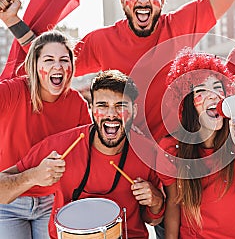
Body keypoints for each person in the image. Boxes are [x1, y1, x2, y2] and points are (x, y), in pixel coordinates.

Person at [0, 0, 235, 141]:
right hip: (125, 156)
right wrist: (13, 21)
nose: (143, 0)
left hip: (175, 154)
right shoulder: (100, 41)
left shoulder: (180, 25)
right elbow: (49, 60)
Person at [0, 70, 165, 239]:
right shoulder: (60, 147)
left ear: (134, 110)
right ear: (91, 108)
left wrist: (156, 202)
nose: (111, 114)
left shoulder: (147, 152)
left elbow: (152, 219)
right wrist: (33, 176)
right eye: (102, 105)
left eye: (121, 106)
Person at [156, 49, 235, 238]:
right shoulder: (171, 149)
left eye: (218, 87)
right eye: (201, 90)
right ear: (186, 104)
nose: (213, 96)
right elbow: (174, 204)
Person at [0, 30, 91, 239]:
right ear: (34, 64)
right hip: (8, 200)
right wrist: (33, 175)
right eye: (49, 59)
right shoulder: (12, 91)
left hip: (53, 202)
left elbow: (85, 156)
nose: (57, 66)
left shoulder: (77, 103)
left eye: (64, 60)